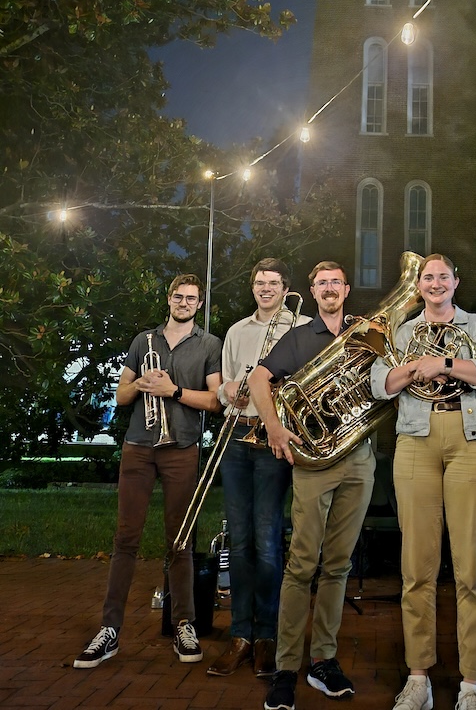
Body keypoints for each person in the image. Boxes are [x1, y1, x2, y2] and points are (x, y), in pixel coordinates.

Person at [370, 253, 476, 710]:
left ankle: (472, 683)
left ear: (456, 282)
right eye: (426, 277)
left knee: (472, 567)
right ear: (419, 285)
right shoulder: (402, 330)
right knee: (417, 567)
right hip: (416, 440)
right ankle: (418, 679)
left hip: (472, 440)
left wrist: (444, 361)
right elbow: (380, 383)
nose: (434, 283)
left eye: (442, 277)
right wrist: (415, 368)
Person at [74, 273, 222, 669]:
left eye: (192, 298)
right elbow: (121, 397)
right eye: (179, 296)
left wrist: (172, 390)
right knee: (125, 538)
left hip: (182, 449)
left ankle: (184, 624)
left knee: (180, 541)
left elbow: (214, 401)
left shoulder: (209, 344)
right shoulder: (144, 341)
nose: (185, 303)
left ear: (200, 304)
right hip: (138, 447)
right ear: (169, 299)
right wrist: (141, 383)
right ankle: (110, 631)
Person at [249, 261, 376, 710]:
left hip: (358, 460)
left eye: (335, 283)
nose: (328, 289)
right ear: (313, 290)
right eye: (320, 283)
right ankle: (286, 666)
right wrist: (275, 428)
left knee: (338, 565)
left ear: (346, 289)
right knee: (302, 563)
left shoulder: (365, 331)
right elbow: (258, 378)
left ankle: (323, 658)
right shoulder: (300, 337)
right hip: (315, 464)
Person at [207, 258, 312, 678]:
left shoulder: (301, 327)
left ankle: (267, 635)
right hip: (236, 436)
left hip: (273, 438)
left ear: (285, 287)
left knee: (268, 541)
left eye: (273, 283)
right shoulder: (236, 331)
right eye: (259, 283)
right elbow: (227, 384)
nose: (265, 288)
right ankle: (240, 634)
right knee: (241, 538)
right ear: (252, 288)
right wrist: (229, 388)